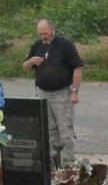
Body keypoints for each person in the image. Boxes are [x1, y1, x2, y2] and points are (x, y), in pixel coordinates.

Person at [22, 19, 84, 165]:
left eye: (46, 33)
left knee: (65, 129)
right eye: (41, 34)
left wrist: (75, 91)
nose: (44, 37)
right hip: (43, 93)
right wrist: (31, 61)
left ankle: (69, 162)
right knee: (49, 130)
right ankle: (53, 162)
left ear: (53, 30)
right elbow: (25, 67)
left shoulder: (65, 44)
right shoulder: (37, 46)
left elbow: (77, 67)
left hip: (62, 93)